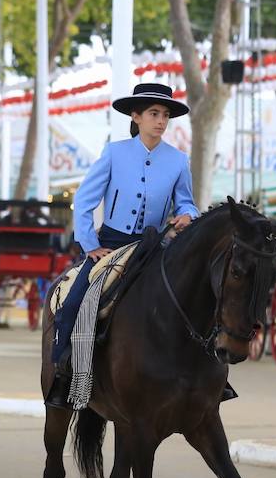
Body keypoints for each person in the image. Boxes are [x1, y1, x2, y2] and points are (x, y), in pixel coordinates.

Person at [45, 81, 198, 409]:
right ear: (136, 116)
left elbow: (186, 203)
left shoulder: (178, 160)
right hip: (110, 245)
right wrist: (89, 244)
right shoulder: (114, 153)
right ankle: (63, 374)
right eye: (154, 114)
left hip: (154, 247)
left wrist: (188, 215)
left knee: (193, 298)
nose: (160, 121)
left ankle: (207, 377)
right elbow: (85, 199)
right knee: (73, 304)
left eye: (165, 115)